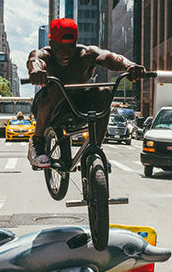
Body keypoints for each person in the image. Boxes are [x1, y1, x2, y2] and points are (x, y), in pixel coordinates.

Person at [26, 18, 146, 167]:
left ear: (75, 44)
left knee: (104, 91)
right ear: (51, 45)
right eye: (60, 49)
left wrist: (130, 66)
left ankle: (95, 149)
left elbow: (109, 57)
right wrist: (36, 70)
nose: (66, 54)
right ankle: (37, 143)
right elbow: (34, 60)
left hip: (79, 107)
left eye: (70, 48)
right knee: (57, 87)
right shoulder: (44, 55)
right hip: (51, 109)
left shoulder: (86, 54)